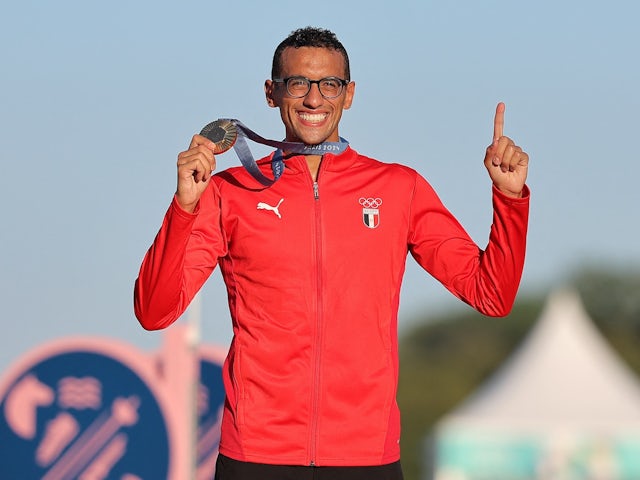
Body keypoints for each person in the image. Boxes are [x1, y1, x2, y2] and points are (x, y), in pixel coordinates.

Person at [134, 26, 530, 480]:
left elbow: (491, 294)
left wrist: (509, 200)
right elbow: (154, 310)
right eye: (298, 83)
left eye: (329, 85)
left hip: (366, 457)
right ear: (272, 92)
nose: (313, 99)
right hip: (257, 455)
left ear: (349, 94)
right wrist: (184, 207)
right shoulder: (231, 191)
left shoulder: (399, 188)